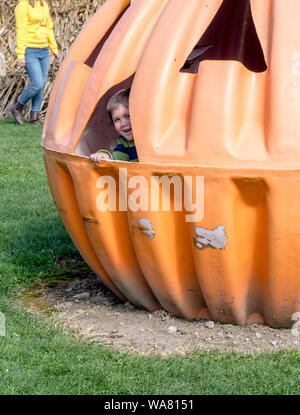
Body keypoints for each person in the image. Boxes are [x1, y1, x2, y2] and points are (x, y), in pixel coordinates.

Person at [10, 0, 62, 125]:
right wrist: (20, 54)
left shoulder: (43, 4)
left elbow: (48, 28)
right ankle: (17, 107)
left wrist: (54, 49)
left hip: (44, 50)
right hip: (29, 50)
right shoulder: (22, 6)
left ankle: (34, 117)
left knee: (42, 84)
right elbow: (21, 30)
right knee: (37, 83)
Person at [90, 88, 139, 163]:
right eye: (117, 120)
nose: (123, 124)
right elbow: (116, 160)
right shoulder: (124, 143)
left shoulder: (150, 136)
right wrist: (105, 155)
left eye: (127, 116)